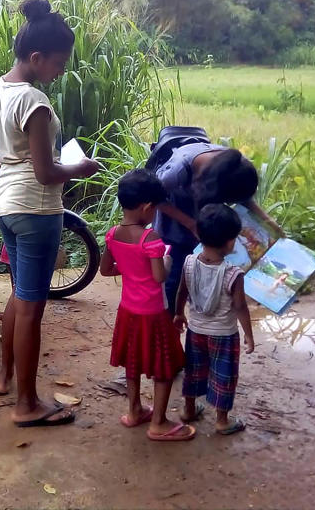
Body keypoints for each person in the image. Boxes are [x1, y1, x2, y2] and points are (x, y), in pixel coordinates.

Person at [0, 0, 99, 427]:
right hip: (37, 209)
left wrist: (19, 162)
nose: (61, 71)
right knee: (32, 305)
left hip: (5, 205)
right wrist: (80, 168)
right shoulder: (35, 103)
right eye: (59, 63)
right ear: (36, 57)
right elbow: (48, 174)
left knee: (19, 294)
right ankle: (26, 405)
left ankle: (6, 373)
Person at [101, 169, 195, 442]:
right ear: (147, 207)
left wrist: (131, 269)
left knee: (133, 362)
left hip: (128, 311)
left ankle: (134, 411)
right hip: (153, 314)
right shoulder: (151, 239)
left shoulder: (112, 234)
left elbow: (106, 270)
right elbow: (159, 277)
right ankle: (159, 423)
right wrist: (164, 262)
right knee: (164, 368)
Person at [146, 126, 264, 316]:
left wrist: (266, 220)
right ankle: (168, 327)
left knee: (203, 280)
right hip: (174, 230)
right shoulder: (174, 172)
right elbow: (153, 198)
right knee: (173, 280)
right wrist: (190, 224)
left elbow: (241, 193)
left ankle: (198, 321)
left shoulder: (234, 166)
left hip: (204, 229)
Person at [174, 203, 255, 436]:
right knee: (224, 375)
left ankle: (189, 409)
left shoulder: (189, 262)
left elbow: (182, 291)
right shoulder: (233, 273)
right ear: (230, 243)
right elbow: (240, 306)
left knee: (194, 370)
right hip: (224, 335)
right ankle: (222, 420)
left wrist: (179, 313)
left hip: (196, 331)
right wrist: (248, 335)